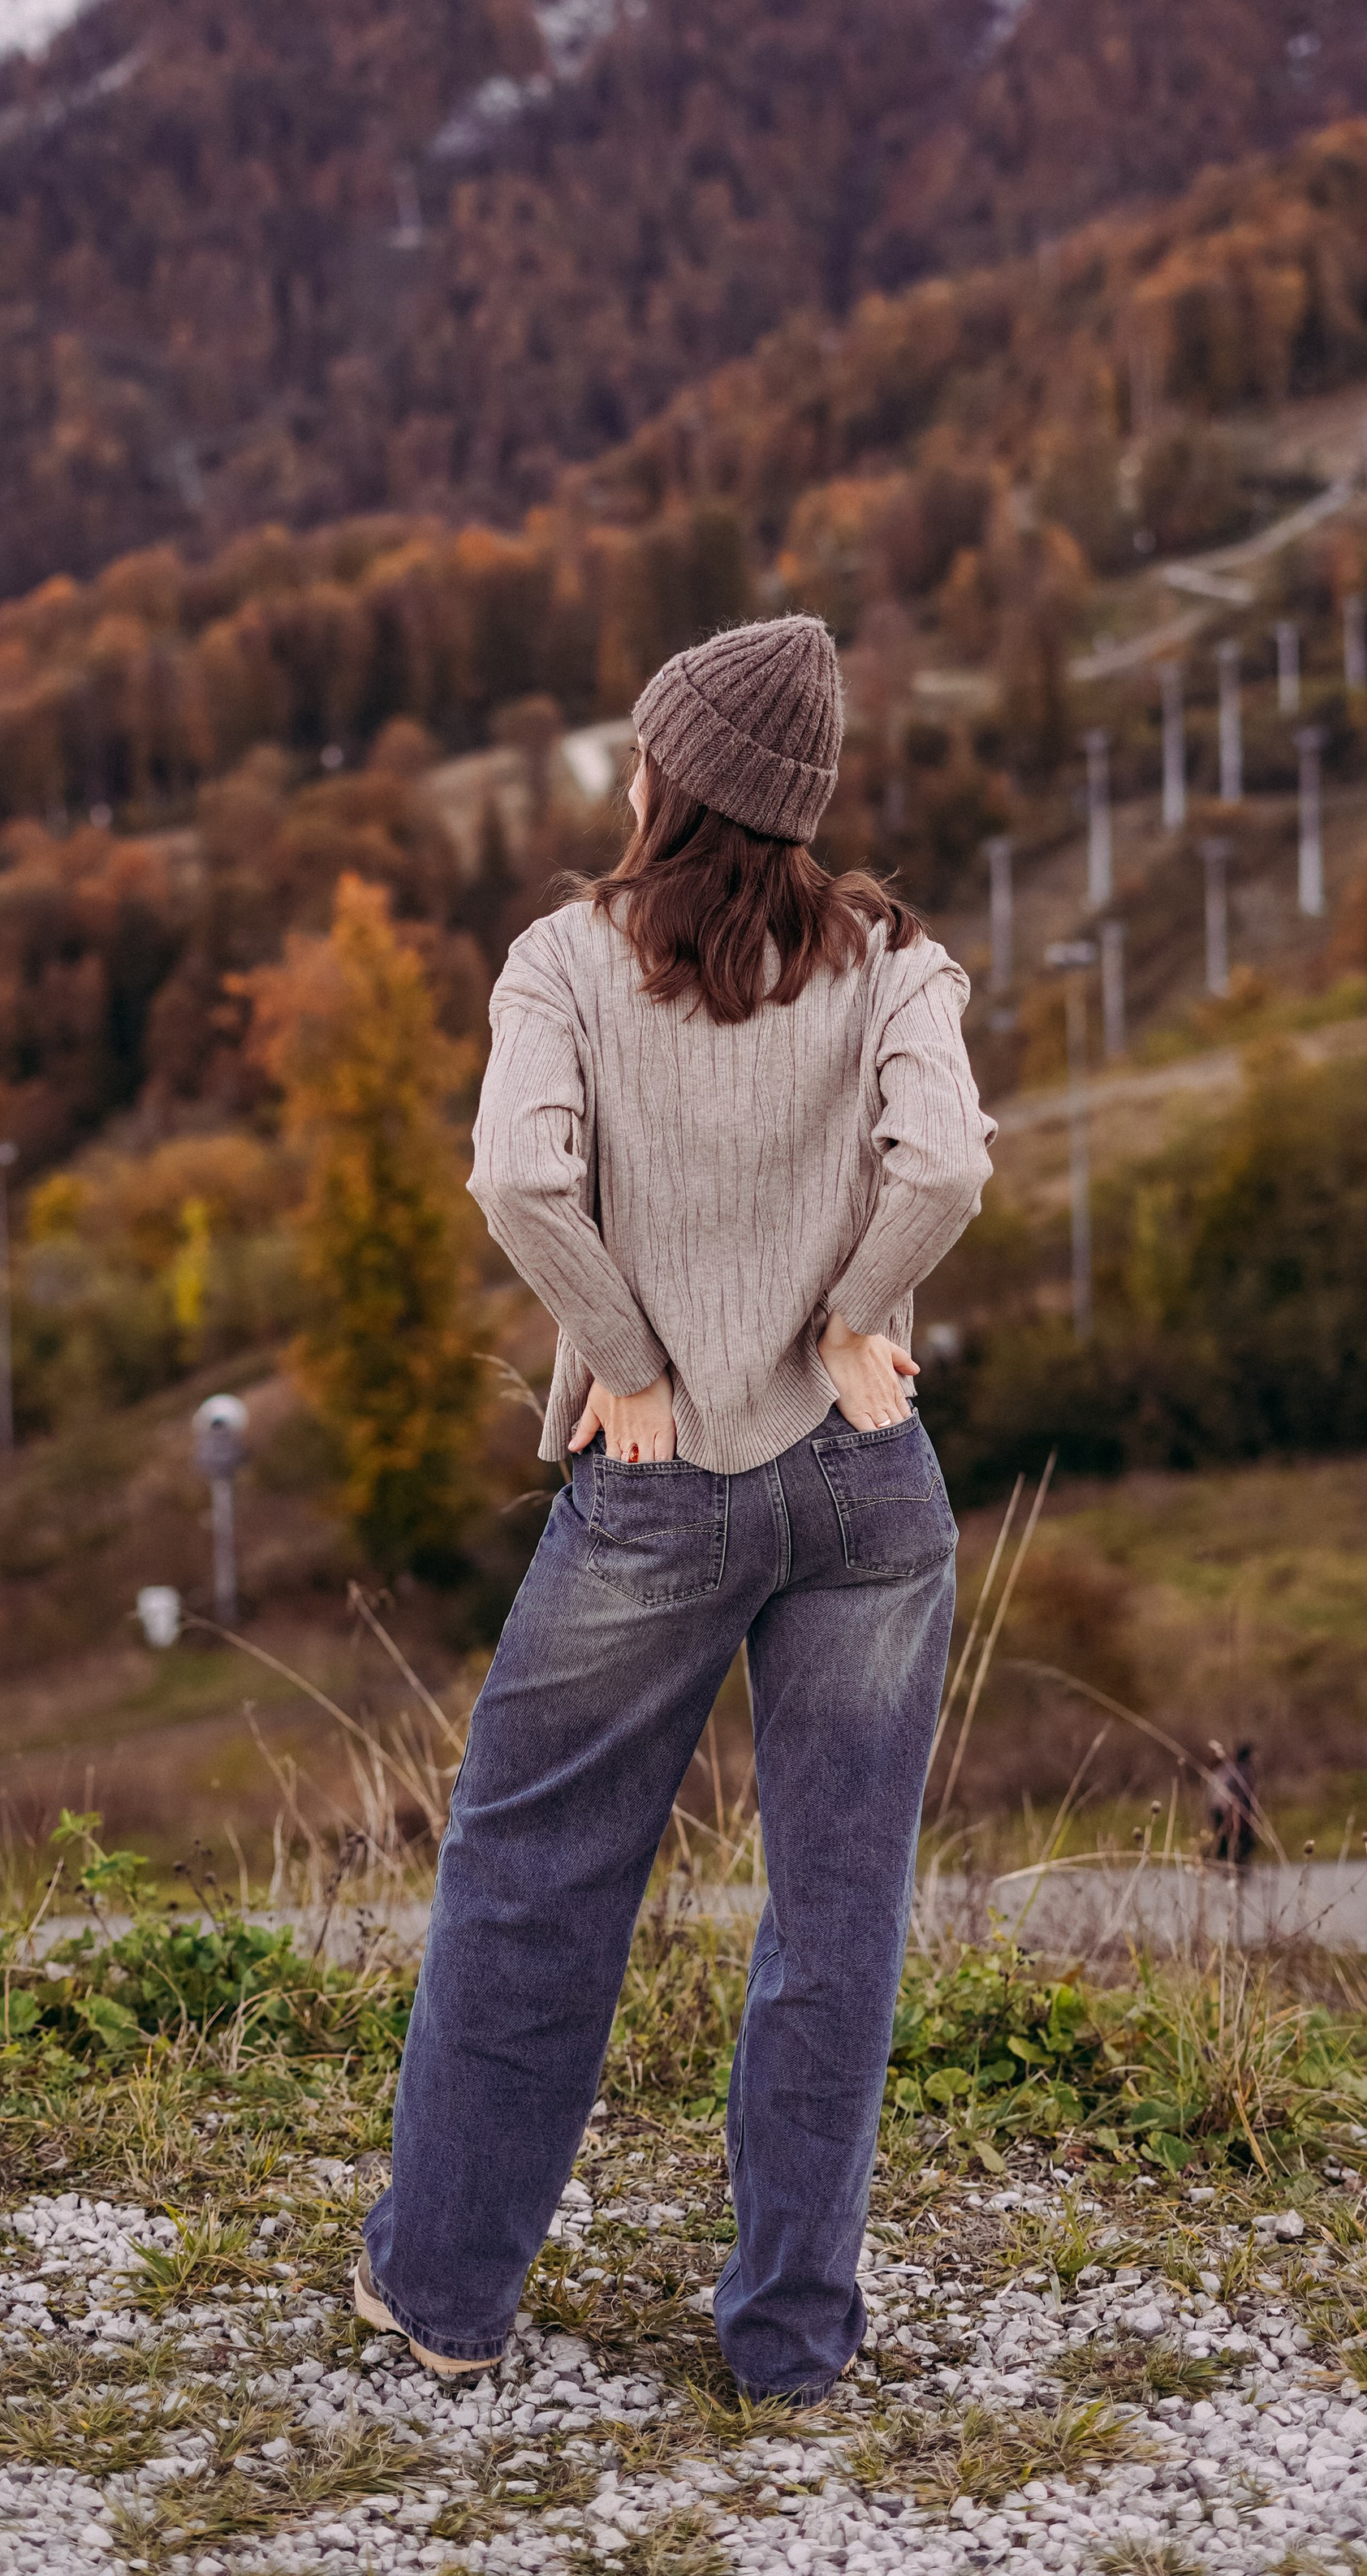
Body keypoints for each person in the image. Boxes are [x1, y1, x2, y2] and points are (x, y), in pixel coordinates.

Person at [355, 612, 993, 2404]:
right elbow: (943, 1161)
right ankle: (789, 2345)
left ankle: (448, 2303)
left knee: (531, 1878)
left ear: (668, 780)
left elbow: (510, 1174)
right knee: (835, 1916)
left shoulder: (561, 960)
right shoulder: (890, 957)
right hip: (866, 1488)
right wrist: (860, 1314)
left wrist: (621, 1360)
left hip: (655, 1488)